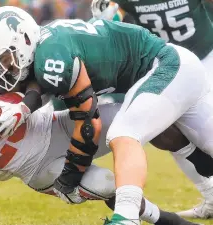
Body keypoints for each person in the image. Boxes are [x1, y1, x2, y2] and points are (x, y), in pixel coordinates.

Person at [0, 56, 199, 225]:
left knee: (136, 119)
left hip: (58, 124)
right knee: (106, 184)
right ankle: (163, 220)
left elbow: (29, 72)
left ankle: (205, 168)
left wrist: (21, 101)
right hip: (39, 167)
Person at [0, 6, 213, 225]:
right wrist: (26, 104)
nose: (7, 69)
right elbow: (39, 81)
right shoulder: (47, 46)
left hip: (166, 66)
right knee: (174, 136)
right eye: (0, 65)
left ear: (24, 39)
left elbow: (89, 123)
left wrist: (71, 175)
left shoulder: (51, 55)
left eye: (8, 59)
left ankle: (127, 218)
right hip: (179, 67)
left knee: (124, 133)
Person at [90, 0, 213, 218]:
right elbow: (123, 23)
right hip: (169, 65)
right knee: (172, 131)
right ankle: (211, 195)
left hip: (206, 56)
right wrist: (108, 17)